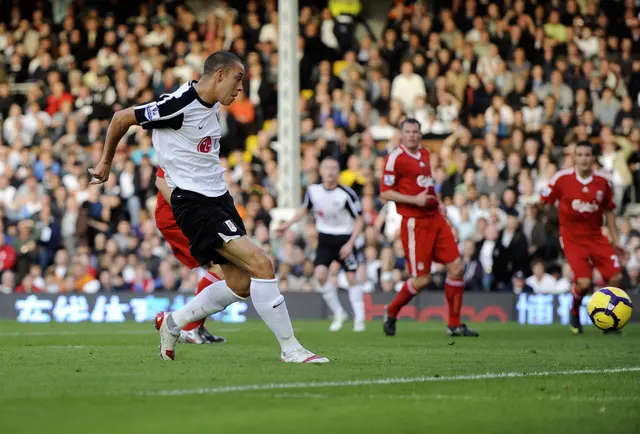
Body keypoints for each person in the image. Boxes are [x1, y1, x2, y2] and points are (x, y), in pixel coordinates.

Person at [89, 51, 328, 364]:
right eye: (237, 78)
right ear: (219, 75)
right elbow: (121, 117)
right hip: (195, 204)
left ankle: (173, 323)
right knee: (262, 264)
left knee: (241, 284)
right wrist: (106, 162)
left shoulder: (212, 104)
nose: (241, 87)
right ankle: (291, 349)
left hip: (219, 199)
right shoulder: (177, 105)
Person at [379, 118, 478, 337]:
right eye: (408, 131)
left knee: (457, 267)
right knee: (422, 279)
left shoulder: (424, 154)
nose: (412, 135)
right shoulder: (395, 158)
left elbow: (427, 186)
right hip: (415, 224)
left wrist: (440, 205)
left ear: (420, 134)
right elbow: (385, 193)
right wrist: (415, 201)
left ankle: (454, 324)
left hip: (435, 218)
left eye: (416, 131)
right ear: (402, 134)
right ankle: (392, 310)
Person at [540, 141, 626, 334]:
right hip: (572, 238)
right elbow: (544, 200)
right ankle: (574, 311)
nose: (584, 159)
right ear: (574, 157)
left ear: (593, 158)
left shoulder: (603, 182)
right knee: (584, 282)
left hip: (596, 236)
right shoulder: (561, 179)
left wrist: (615, 238)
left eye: (588, 155)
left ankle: (607, 319)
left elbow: (609, 211)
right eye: (580, 155)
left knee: (616, 276)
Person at [276, 157, 365, 332]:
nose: (330, 172)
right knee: (321, 275)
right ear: (321, 171)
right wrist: (287, 225)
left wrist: (350, 243)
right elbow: (304, 210)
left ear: (338, 172)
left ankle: (360, 319)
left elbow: (359, 220)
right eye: (327, 168)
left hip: (344, 238)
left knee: (351, 278)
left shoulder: (346, 194)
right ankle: (339, 313)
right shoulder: (313, 191)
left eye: (334, 168)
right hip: (324, 238)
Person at [154, 167, 226, 344]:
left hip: (186, 215)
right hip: (176, 217)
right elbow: (160, 181)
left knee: (219, 267)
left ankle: (196, 327)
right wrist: (184, 210)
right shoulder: (179, 146)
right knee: (221, 266)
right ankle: (190, 327)